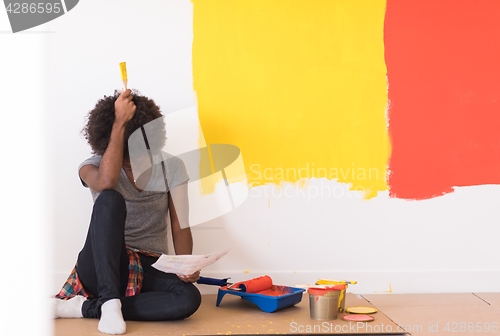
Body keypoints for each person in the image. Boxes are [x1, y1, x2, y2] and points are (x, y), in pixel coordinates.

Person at [51, 89, 201, 335]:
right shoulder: (93, 166)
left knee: (188, 299)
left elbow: (180, 224)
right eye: (128, 159)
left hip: (150, 264)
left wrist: (186, 264)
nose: (134, 164)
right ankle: (109, 301)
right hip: (102, 265)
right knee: (109, 199)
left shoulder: (172, 166)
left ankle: (85, 308)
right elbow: (107, 184)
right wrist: (120, 122)